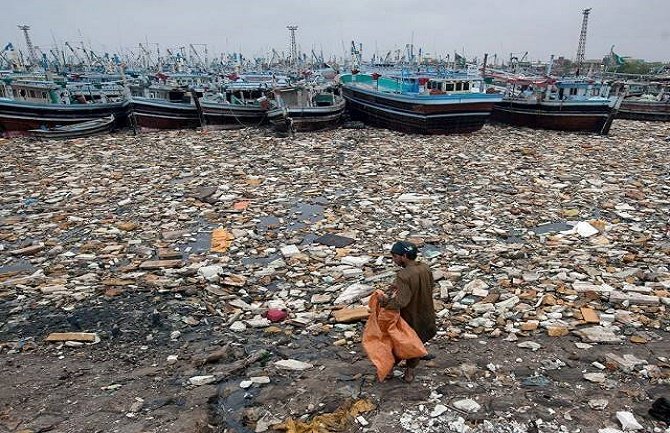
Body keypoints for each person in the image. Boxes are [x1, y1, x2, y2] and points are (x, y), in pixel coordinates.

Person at [379, 241, 437, 383]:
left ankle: (389, 370)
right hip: (426, 313)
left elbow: (401, 302)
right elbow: (430, 285)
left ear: (404, 256)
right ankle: (409, 373)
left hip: (410, 317)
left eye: (395, 256)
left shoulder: (403, 275)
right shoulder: (425, 268)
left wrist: (384, 303)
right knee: (416, 343)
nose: (394, 260)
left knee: (399, 342)